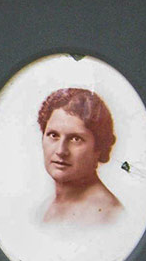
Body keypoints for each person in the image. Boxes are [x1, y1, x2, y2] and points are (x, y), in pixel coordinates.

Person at [37, 88, 123, 225]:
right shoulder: (44, 207)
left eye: (75, 139)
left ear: (99, 148)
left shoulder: (107, 216)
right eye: (53, 135)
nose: (61, 150)